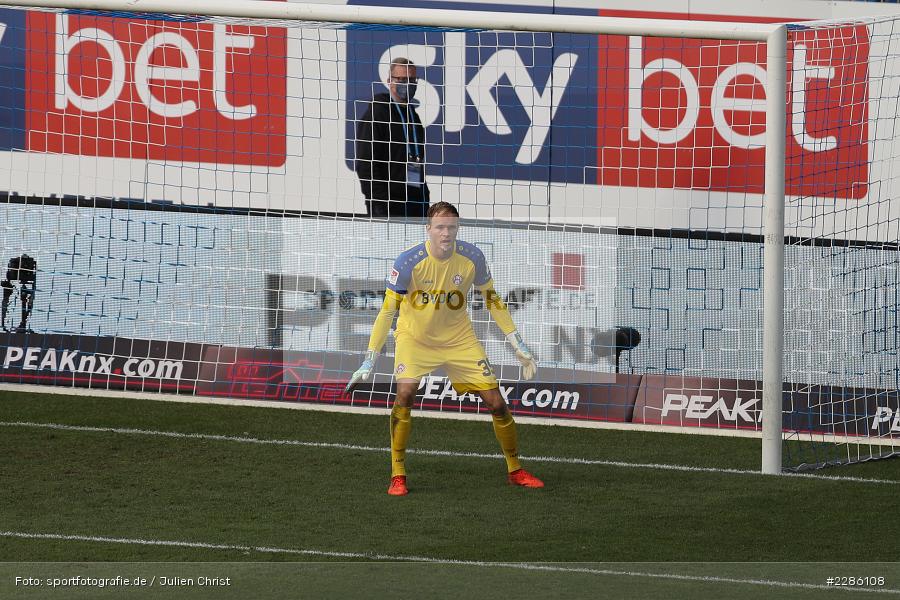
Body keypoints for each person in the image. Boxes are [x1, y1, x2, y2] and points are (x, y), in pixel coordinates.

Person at [345, 202, 543, 495]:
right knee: (405, 393)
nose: (446, 233)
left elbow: (493, 300)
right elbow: (387, 312)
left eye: (451, 227)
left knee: (497, 403)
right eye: (440, 227)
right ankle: (397, 473)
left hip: (459, 340)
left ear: (457, 229)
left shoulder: (472, 257)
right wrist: (369, 359)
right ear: (429, 229)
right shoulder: (408, 262)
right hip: (415, 339)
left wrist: (517, 343)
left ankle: (515, 469)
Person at [354, 57, 430, 219]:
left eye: (411, 80)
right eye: (401, 79)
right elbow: (366, 164)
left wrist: (424, 198)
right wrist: (380, 203)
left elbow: (417, 162)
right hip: (387, 205)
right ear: (389, 81)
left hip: (414, 203)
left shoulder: (413, 116)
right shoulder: (377, 113)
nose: (407, 84)